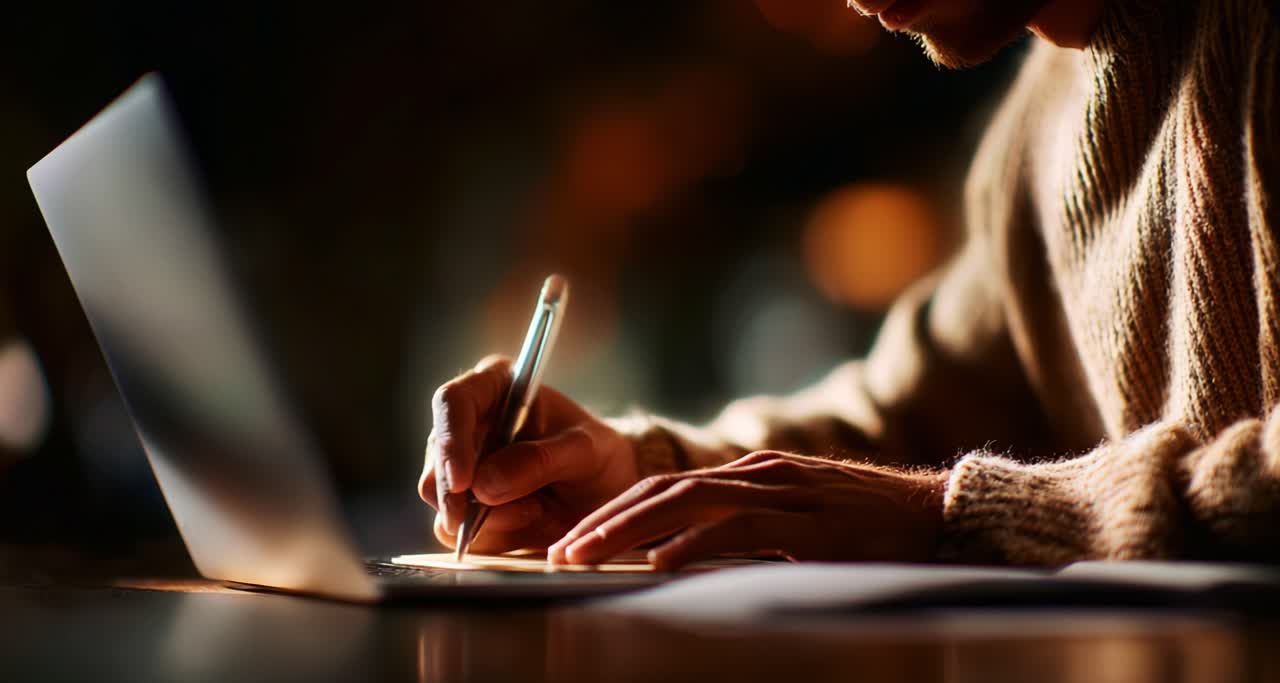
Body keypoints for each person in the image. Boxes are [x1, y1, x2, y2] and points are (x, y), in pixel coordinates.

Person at [419, 0, 1280, 568]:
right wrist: (636, 471)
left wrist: (968, 516)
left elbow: (922, 493)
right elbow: (908, 420)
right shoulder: (1039, 125)